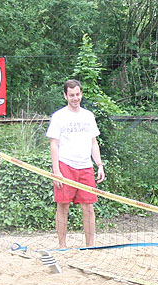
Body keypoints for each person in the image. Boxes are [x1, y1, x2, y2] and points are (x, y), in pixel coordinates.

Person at [47, 79, 106, 248]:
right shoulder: (59, 116)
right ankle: (62, 246)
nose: (75, 98)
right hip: (65, 166)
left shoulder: (88, 116)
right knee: (62, 206)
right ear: (65, 96)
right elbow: (54, 144)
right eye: (71, 95)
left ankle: (90, 245)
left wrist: (99, 165)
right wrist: (56, 171)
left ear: (81, 94)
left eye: (77, 94)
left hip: (86, 167)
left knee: (88, 208)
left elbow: (93, 142)